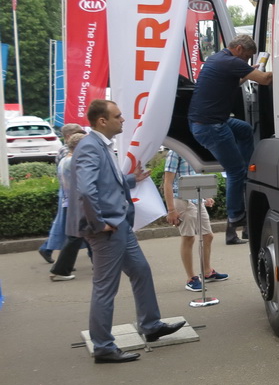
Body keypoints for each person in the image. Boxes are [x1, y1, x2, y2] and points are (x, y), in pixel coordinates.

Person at [66, 99, 185, 364]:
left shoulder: (99, 145)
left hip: (118, 225)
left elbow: (105, 182)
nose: (123, 120)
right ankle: (104, 347)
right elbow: (86, 190)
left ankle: (151, 325)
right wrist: (99, 223)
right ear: (102, 121)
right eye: (118, 116)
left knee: (141, 271)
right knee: (105, 288)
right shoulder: (90, 147)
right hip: (107, 228)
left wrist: (132, 180)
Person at [188, 33, 272, 244]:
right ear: (240, 49)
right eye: (247, 57)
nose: (246, 62)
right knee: (235, 171)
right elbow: (265, 80)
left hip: (208, 123)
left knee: (244, 129)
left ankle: (246, 168)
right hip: (212, 127)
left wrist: (251, 71)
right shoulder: (231, 61)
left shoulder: (218, 59)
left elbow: (239, 81)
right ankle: (236, 215)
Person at [162, 148, 231, 291]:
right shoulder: (175, 152)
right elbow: (167, 182)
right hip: (181, 199)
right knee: (188, 238)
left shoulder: (193, 150)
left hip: (196, 198)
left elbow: (196, 176)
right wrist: (171, 209)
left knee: (208, 236)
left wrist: (205, 196)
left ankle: (207, 272)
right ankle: (191, 278)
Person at [38, 122, 85, 263]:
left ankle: (49, 250)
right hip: (70, 193)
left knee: (68, 225)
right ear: (70, 136)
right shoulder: (68, 153)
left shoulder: (64, 151)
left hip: (67, 192)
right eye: (79, 133)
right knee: (69, 226)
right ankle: (51, 252)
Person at [49, 131, 88, 281]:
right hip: (78, 203)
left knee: (76, 236)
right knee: (76, 237)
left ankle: (61, 269)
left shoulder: (65, 160)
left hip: (71, 202)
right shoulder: (73, 162)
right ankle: (60, 270)